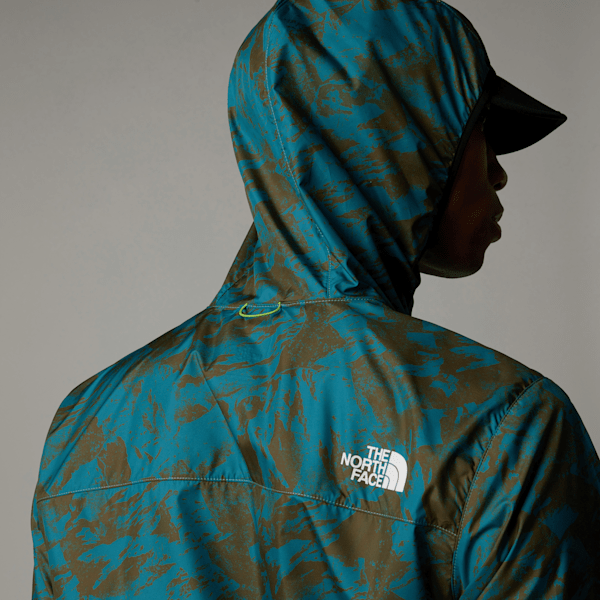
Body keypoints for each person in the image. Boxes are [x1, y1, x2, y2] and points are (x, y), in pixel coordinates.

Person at [31, 0, 600, 598]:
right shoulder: (509, 430)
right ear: (403, 143)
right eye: (483, 132)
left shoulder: (84, 426)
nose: (500, 172)